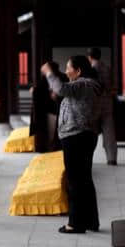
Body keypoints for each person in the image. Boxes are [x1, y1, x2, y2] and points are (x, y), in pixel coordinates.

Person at [42, 55, 101, 233]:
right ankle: (91, 221)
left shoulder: (82, 84)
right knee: (84, 180)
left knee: (75, 181)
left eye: (69, 68)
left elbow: (61, 89)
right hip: (85, 135)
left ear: (78, 71)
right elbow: (65, 93)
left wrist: (49, 73)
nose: (66, 71)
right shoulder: (88, 85)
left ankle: (75, 223)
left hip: (76, 136)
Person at [87, 47, 117, 165]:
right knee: (109, 131)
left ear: (89, 57)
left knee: (91, 131)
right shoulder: (107, 68)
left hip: (95, 103)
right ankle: (112, 158)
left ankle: (88, 157)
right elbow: (113, 84)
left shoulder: (91, 69)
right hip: (108, 102)